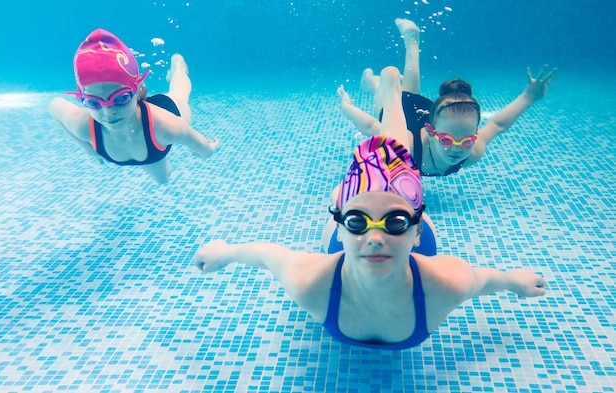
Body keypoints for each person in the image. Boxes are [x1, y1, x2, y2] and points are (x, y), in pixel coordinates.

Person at [193, 68, 546, 350]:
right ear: (343, 227)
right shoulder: (311, 283)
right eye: (357, 222)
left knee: (392, 159)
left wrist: (513, 281)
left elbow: (485, 280)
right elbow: (267, 255)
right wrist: (226, 253)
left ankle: (390, 95)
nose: (375, 238)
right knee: (391, 161)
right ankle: (390, 95)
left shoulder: (445, 283)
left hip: (404, 226)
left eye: (394, 223)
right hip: (378, 217)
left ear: (417, 230)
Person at [338, 17, 557, 176]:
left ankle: (408, 44)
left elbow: (498, 124)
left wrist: (528, 98)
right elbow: (370, 127)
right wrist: (346, 107)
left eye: (467, 141)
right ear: (431, 132)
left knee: (410, 91)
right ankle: (384, 81)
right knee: (388, 100)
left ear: (474, 136)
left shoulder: (472, 151)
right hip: (403, 114)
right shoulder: (408, 145)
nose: (456, 148)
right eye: (446, 140)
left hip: (427, 110)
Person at [49, 28, 219, 184]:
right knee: (163, 179)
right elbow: (54, 106)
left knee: (179, 93)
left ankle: (179, 68)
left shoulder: (169, 126)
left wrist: (207, 150)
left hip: (157, 121)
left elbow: (205, 149)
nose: (109, 112)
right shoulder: (83, 126)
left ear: (137, 90)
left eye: (120, 98)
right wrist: (86, 147)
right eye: (93, 102)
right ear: (82, 99)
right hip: (150, 141)